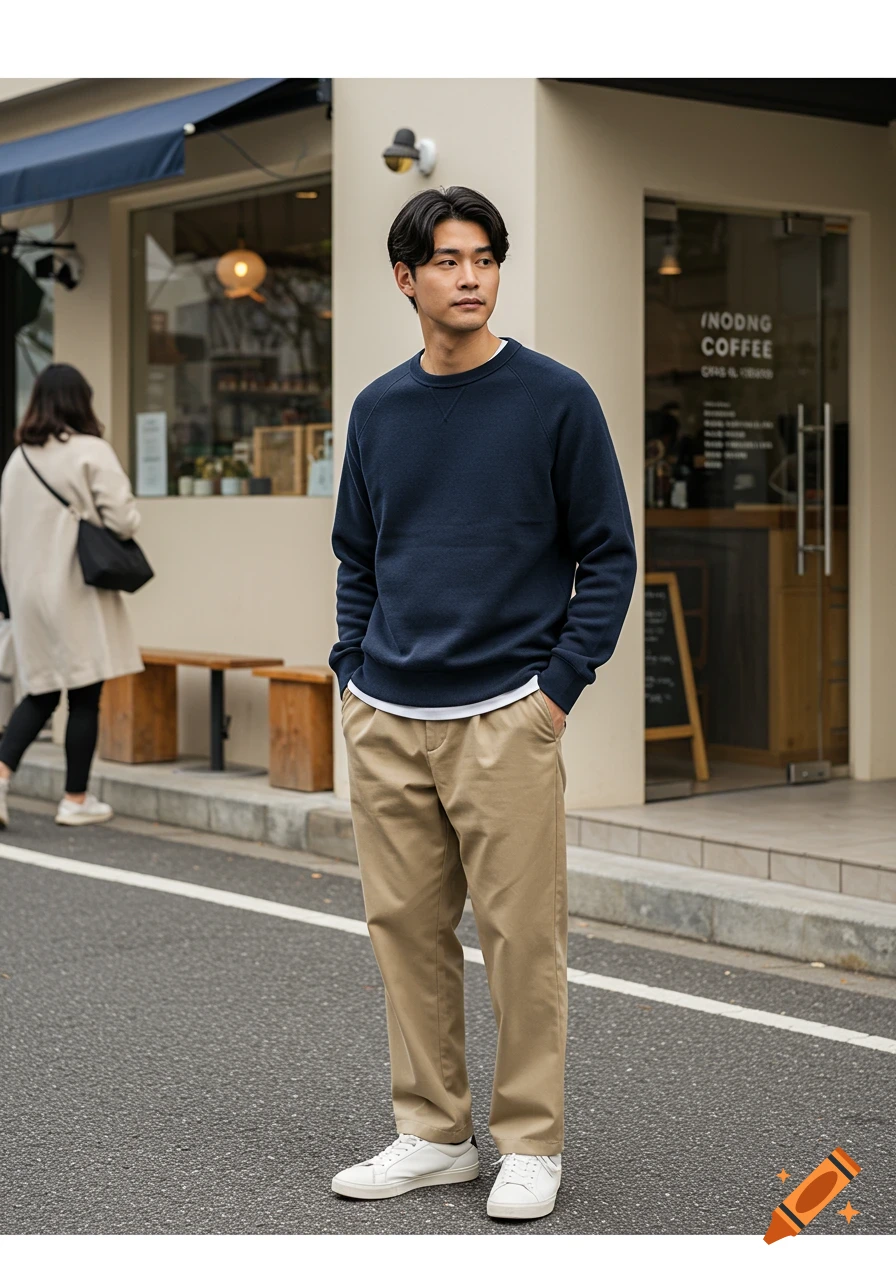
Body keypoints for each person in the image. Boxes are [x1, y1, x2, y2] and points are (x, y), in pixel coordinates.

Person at [328, 186, 636, 1221]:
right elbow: (356, 555)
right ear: (406, 277)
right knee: (404, 931)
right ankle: (430, 1131)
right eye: (447, 260)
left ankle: (529, 1139)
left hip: (507, 707)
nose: (469, 276)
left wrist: (556, 690)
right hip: (386, 707)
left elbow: (608, 554)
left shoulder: (553, 399)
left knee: (520, 936)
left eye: (484, 258)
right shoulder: (377, 409)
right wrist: (348, 670)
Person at [0, 364, 145, 829]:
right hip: (75, 586)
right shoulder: (90, 451)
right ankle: (75, 799)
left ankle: (0, 776)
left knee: (40, 689)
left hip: (26, 591)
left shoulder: (18, 459)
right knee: (85, 693)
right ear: (81, 400)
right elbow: (122, 520)